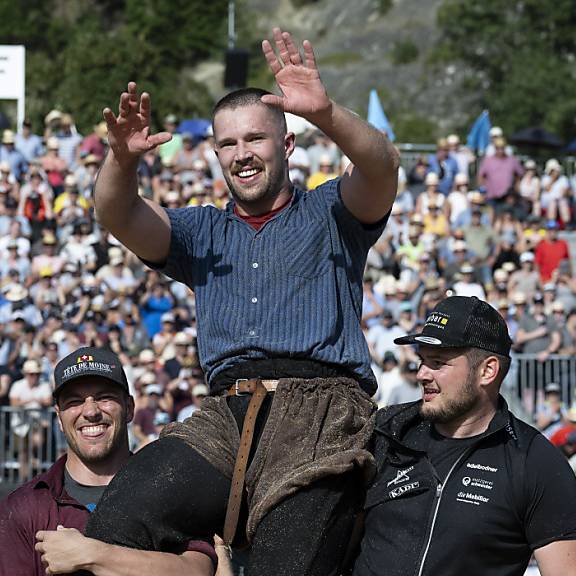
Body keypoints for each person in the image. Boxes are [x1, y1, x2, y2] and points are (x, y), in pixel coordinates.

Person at [75, 27, 399, 575]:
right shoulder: (203, 229)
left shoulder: (329, 213)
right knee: (118, 522)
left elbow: (381, 166)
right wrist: (122, 162)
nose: (242, 155)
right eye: (228, 143)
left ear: (287, 144)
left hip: (319, 410)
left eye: (256, 139)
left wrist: (324, 111)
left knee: (284, 563)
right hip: (227, 412)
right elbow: (117, 214)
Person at [351, 296, 576, 576]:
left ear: (487, 371)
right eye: (422, 360)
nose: (422, 374)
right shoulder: (386, 430)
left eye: (438, 362)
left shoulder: (535, 462)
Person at [0, 347, 216, 576]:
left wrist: (93, 555)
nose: (90, 411)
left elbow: (199, 570)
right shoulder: (21, 510)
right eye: (74, 401)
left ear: (130, 408)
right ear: (59, 418)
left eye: (104, 397)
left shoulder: (170, 492)